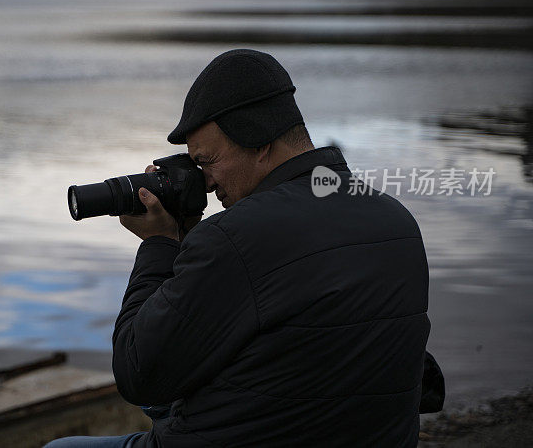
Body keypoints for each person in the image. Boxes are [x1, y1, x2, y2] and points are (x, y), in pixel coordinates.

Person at [46, 49, 442, 448]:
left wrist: (160, 245)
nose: (206, 182)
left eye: (208, 160)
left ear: (258, 141)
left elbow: (138, 375)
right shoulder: (396, 221)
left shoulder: (233, 239)